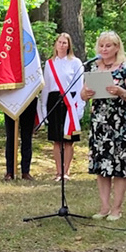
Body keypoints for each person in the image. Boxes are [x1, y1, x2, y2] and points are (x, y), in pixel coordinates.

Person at [81, 31, 126, 221]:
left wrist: (121, 91)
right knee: (102, 165)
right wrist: (86, 93)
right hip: (100, 123)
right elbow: (82, 95)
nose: (104, 49)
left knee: (120, 166)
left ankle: (117, 208)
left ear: (116, 47)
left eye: (108, 46)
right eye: (101, 46)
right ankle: (104, 206)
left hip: (120, 123)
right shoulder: (92, 66)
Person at [38, 33, 85, 181]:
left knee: (68, 139)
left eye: (65, 43)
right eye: (60, 42)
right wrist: (44, 108)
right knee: (56, 139)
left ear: (69, 45)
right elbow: (45, 87)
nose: (62, 45)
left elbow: (79, 86)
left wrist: (79, 107)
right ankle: (58, 171)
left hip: (70, 101)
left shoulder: (76, 62)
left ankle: (66, 171)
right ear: (56, 44)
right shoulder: (49, 63)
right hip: (54, 100)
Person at [4, 102, 36, 181]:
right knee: (10, 137)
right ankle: (10, 171)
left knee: (27, 138)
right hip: (10, 102)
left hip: (29, 101)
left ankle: (25, 171)